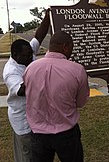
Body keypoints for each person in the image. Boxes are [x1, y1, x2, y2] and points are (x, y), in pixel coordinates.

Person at [23, 30, 90, 162]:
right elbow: (80, 103)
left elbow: (29, 96)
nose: (71, 51)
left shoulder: (30, 68)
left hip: (38, 134)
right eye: (71, 47)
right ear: (65, 46)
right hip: (66, 133)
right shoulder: (77, 70)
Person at [3, 9, 50, 162]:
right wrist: (44, 75)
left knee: (34, 154)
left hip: (35, 117)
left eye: (31, 54)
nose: (31, 58)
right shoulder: (11, 71)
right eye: (26, 56)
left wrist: (47, 17)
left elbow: (39, 36)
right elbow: (22, 90)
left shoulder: (26, 53)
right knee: (27, 154)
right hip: (23, 121)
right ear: (15, 56)